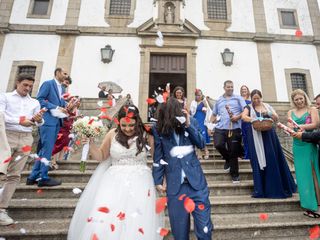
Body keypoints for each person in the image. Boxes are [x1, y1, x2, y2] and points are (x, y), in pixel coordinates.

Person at [68, 105, 164, 240]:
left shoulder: (146, 135)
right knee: (107, 217)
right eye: (124, 125)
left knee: (137, 218)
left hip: (140, 182)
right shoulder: (112, 134)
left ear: (137, 121)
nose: (128, 129)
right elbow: (101, 156)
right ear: (118, 122)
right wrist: (90, 145)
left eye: (132, 125)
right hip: (113, 182)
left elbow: (157, 159)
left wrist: (162, 179)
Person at [153, 97, 213, 240]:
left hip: (197, 185)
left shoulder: (191, 122)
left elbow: (201, 143)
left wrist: (187, 124)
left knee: (205, 231)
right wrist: (157, 180)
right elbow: (158, 155)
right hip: (175, 187)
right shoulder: (160, 128)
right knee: (180, 234)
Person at [0, 73, 44, 225]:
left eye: (30, 86)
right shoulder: (5, 97)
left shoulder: (34, 102)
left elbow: (37, 122)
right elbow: (1, 116)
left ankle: (2, 209)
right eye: (25, 85)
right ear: (17, 83)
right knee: (1, 171)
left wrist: (38, 120)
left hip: (26, 138)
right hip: (7, 135)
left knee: (14, 175)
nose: (28, 88)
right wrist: (21, 122)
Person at [241, 89, 296, 198]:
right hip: (256, 136)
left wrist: (269, 113)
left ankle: (276, 187)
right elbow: (244, 117)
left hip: (269, 136)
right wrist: (254, 119)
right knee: (258, 160)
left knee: (272, 157)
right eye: (254, 99)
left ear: (261, 97)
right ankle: (262, 188)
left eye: (258, 98)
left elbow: (276, 118)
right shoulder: (248, 107)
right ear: (251, 99)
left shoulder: (267, 106)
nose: (256, 100)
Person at [27, 67, 69, 187]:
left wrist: (67, 106)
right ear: (57, 73)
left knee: (44, 149)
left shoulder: (62, 88)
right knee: (47, 149)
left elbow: (60, 105)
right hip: (47, 121)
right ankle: (43, 177)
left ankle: (33, 176)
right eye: (64, 73)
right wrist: (55, 107)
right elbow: (39, 100)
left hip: (57, 121)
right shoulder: (48, 84)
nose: (66, 76)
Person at [288, 89, 320, 218]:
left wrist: (302, 127)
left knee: (312, 172)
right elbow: (289, 126)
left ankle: (317, 203)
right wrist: (290, 129)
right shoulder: (290, 112)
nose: (299, 101)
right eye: (296, 100)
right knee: (302, 174)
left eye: (301, 98)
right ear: (293, 101)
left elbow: (316, 124)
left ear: (305, 98)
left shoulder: (312, 109)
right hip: (297, 145)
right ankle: (308, 204)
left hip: (308, 143)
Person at [211, 80, 246, 183]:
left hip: (234, 128)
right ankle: (227, 159)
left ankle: (235, 175)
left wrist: (237, 117)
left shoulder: (238, 98)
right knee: (218, 144)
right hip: (221, 127)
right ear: (224, 87)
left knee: (233, 152)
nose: (230, 88)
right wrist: (209, 124)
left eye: (232, 87)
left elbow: (245, 110)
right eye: (228, 87)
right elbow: (214, 114)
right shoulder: (219, 100)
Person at [51, 97, 81, 170]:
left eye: (77, 102)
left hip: (69, 129)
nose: (76, 102)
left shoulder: (77, 110)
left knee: (65, 145)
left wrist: (77, 119)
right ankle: (53, 161)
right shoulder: (67, 108)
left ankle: (60, 160)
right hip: (62, 128)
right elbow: (66, 118)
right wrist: (75, 117)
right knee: (58, 144)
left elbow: (75, 120)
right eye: (75, 101)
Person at [190, 89, 210, 159]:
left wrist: (205, 109)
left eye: (199, 95)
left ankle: (206, 151)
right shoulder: (193, 102)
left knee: (202, 136)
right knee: (197, 136)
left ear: (202, 95)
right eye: (197, 95)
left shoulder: (204, 102)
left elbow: (208, 112)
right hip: (195, 120)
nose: (198, 96)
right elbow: (191, 112)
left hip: (202, 120)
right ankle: (199, 153)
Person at [240, 85, 251, 160]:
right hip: (240, 121)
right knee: (243, 138)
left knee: (248, 137)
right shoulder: (239, 99)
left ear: (247, 90)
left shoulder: (250, 100)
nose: (244, 90)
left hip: (248, 121)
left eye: (245, 89)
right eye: (243, 89)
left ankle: (248, 155)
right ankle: (244, 154)